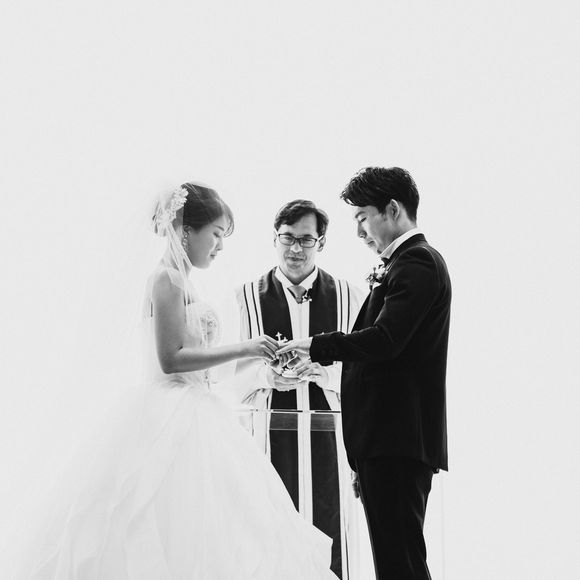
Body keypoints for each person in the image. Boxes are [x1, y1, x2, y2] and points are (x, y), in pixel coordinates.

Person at [14, 184, 338, 579]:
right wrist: (246, 347)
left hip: (197, 406)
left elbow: (202, 369)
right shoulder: (164, 279)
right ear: (186, 230)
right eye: (216, 234)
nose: (220, 247)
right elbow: (170, 360)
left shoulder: (185, 282)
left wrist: (262, 360)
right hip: (168, 412)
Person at [278, 168, 452, 580]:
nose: (358, 231)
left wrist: (316, 345)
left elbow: (385, 340)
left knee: (400, 565)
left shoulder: (417, 263)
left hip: (397, 442)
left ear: (391, 209)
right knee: (396, 563)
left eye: (362, 217)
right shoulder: (405, 263)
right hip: (385, 442)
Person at [234, 200, 364, 579]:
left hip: (331, 442)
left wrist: (325, 373)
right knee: (268, 536)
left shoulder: (350, 298)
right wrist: (266, 378)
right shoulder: (245, 298)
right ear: (274, 239)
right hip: (267, 441)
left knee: (331, 533)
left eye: (306, 239)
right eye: (287, 238)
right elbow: (223, 378)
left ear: (321, 242)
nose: (295, 249)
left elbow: (368, 376)